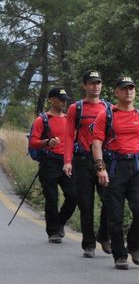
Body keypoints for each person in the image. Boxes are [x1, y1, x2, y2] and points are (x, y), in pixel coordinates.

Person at [91, 76, 139, 270]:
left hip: (137, 168)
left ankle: (133, 246)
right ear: (116, 92)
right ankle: (119, 255)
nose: (128, 91)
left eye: (131, 88)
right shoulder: (107, 115)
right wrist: (101, 169)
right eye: (124, 88)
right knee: (114, 216)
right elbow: (96, 143)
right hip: (115, 168)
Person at [64, 70, 112, 257]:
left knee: (110, 199)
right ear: (85, 85)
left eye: (98, 83)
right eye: (92, 83)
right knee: (86, 204)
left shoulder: (109, 108)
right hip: (82, 161)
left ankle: (104, 235)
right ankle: (89, 243)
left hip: (103, 161)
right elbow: (68, 136)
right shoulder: (76, 108)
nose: (96, 86)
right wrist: (67, 162)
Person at [28, 87, 78, 243]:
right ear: (51, 100)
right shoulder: (42, 120)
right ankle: (53, 232)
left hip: (66, 162)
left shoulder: (69, 119)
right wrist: (47, 142)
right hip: (48, 162)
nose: (64, 102)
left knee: (73, 195)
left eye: (65, 99)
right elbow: (33, 142)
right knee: (51, 198)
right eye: (60, 99)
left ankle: (60, 222)